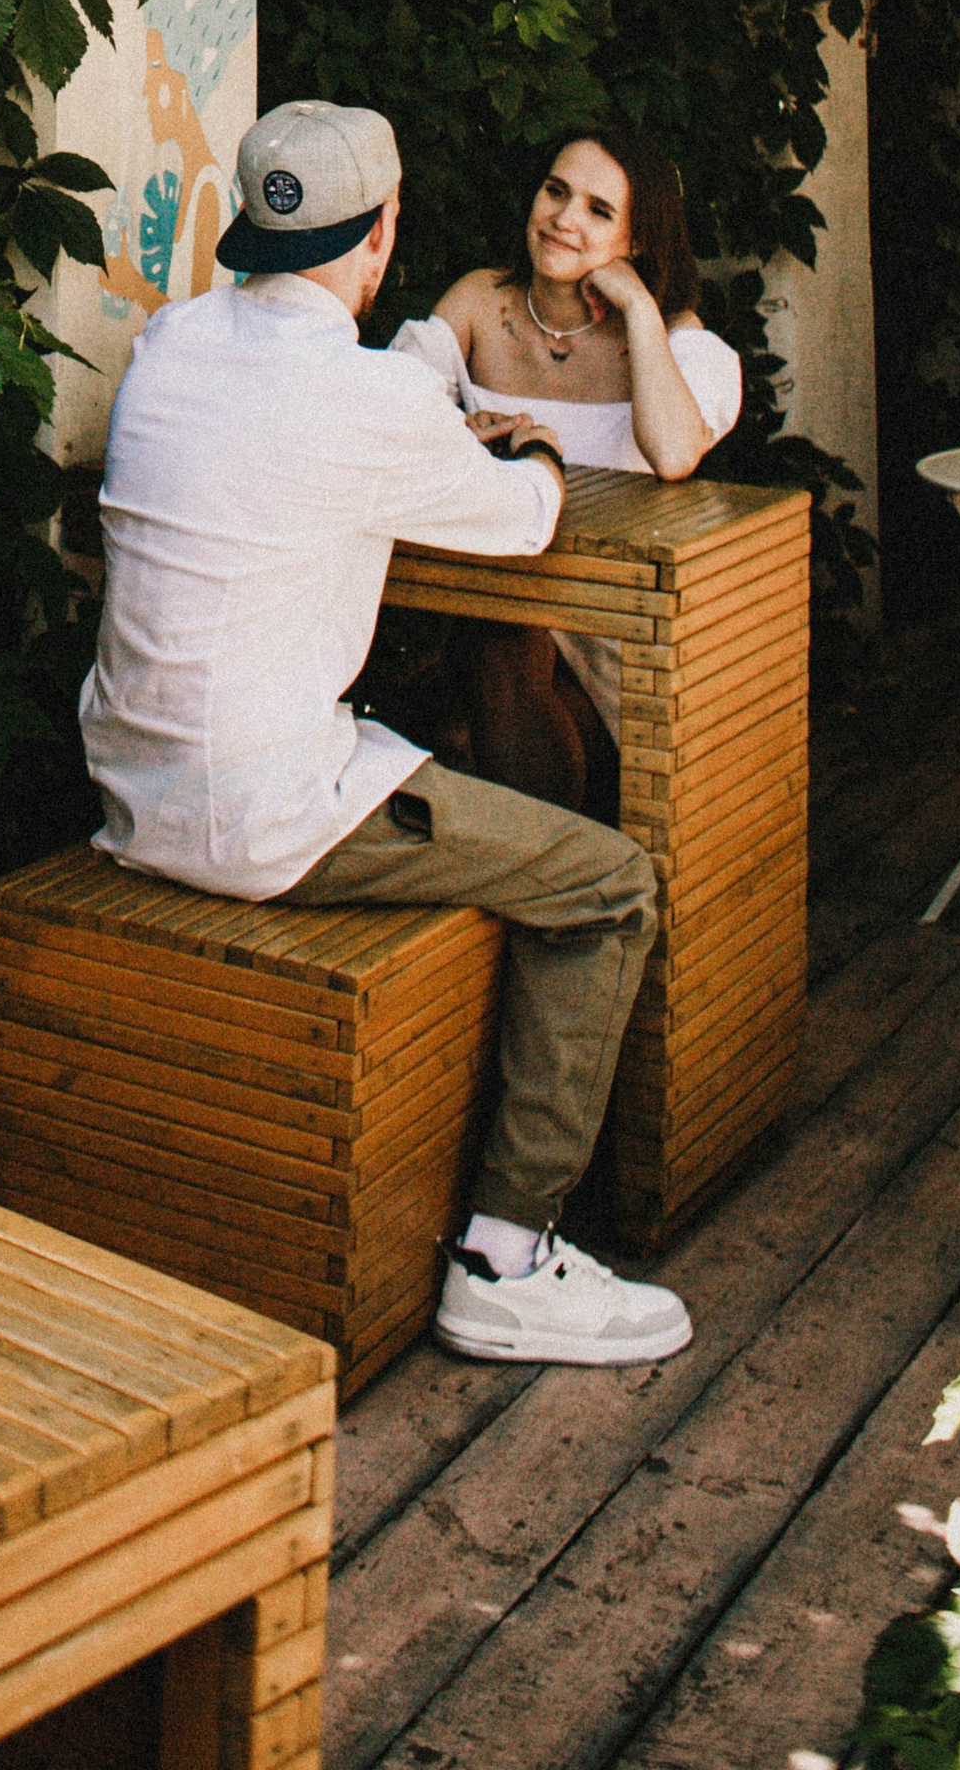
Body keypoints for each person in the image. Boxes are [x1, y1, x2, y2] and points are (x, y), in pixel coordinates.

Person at [80, 99, 693, 1369]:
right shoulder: (364, 397)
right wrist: (517, 445)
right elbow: (527, 518)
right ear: (383, 234)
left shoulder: (169, 345)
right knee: (607, 882)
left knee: (438, 750)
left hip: (127, 791)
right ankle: (505, 1259)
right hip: (263, 819)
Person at [392, 127, 743, 812]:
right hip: (495, 603)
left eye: (598, 210)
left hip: (618, 635)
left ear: (636, 241)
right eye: (556, 191)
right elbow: (391, 425)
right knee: (499, 638)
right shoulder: (476, 303)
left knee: (502, 648)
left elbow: (674, 454)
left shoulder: (673, 338)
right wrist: (454, 430)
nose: (563, 218)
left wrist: (640, 307)